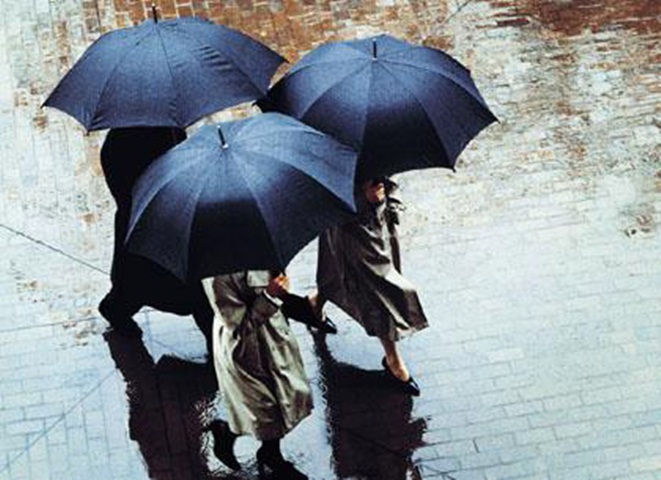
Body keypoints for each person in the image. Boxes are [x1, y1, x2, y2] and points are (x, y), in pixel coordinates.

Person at [308, 177, 428, 396]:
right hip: (353, 231)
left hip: (377, 224)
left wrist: (386, 199)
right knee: (383, 292)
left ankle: (316, 302)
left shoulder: (369, 157)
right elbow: (325, 199)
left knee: (337, 271)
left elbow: (389, 178)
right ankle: (393, 359)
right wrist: (365, 199)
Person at [98, 127, 214, 352]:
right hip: (151, 223)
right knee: (186, 286)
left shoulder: (166, 129)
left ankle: (117, 307)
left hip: (166, 218)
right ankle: (116, 308)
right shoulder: (122, 145)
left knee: (145, 282)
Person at [203, 270, 311, 479]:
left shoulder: (257, 254)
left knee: (283, 397)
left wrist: (280, 282)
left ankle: (256, 445)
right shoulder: (216, 278)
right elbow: (237, 328)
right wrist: (269, 297)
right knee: (264, 406)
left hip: (274, 338)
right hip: (244, 350)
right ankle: (265, 453)